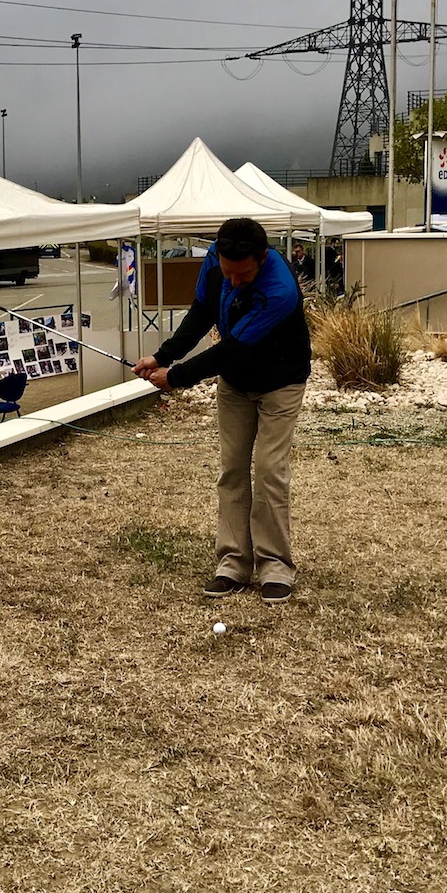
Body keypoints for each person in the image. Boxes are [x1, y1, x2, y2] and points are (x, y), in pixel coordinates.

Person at [132, 217, 311, 605]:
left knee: (268, 470)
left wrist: (176, 377)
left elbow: (234, 348)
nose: (233, 281)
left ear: (262, 259)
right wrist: (162, 356)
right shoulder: (216, 258)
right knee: (231, 468)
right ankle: (232, 563)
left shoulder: (279, 291)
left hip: (281, 382)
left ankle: (275, 566)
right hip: (235, 383)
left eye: (242, 275)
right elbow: (202, 311)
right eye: (228, 273)